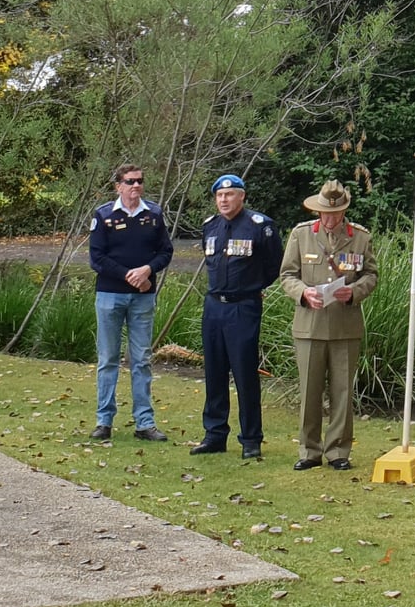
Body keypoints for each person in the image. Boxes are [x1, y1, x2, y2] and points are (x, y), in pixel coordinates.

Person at [279, 181, 378, 472]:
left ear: (343, 211)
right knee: (310, 391)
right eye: (325, 213)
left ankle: (338, 451)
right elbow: (287, 275)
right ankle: (309, 450)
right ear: (317, 210)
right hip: (309, 325)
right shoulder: (301, 235)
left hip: (345, 326)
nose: (330, 219)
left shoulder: (360, 237)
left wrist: (354, 291)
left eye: (335, 214)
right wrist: (303, 292)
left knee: (342, 392)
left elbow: (371, 275)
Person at [192, 173, 283, 460]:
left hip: (243, 307)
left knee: (244, 373)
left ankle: (251, 439)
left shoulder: (260, 226)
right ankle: (214, 434)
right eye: (219, 195)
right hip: (214, 306)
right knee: (214, 372)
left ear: (241, 196)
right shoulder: (210, 226)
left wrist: (252, 287)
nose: (224, 200)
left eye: (229, 194)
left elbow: (274, 266)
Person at [87, 163, 174, 443]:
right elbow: (97, 259)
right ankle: (104, 421)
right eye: (130, 181)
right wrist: (129, 276)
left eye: (139, 181)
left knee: (142, 360)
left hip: (143, 297)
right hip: (110, 294)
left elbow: (166, 252)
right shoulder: (104, 215)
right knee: (108, 359)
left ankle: (145, 423)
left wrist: (148, 270)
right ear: (118, 186)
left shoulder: (154, 214)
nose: (136, 185)